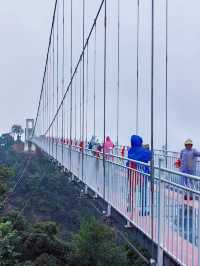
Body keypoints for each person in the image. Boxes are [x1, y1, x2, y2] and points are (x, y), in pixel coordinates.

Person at [127, 135, 152, 216]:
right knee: (143, 191)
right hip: (142, 173)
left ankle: (130, 205)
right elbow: (150, 156)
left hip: (132, 171)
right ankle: (143, 209)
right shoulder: (145, 151)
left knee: (132, 190)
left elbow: (131, 158)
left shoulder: (130, 150)